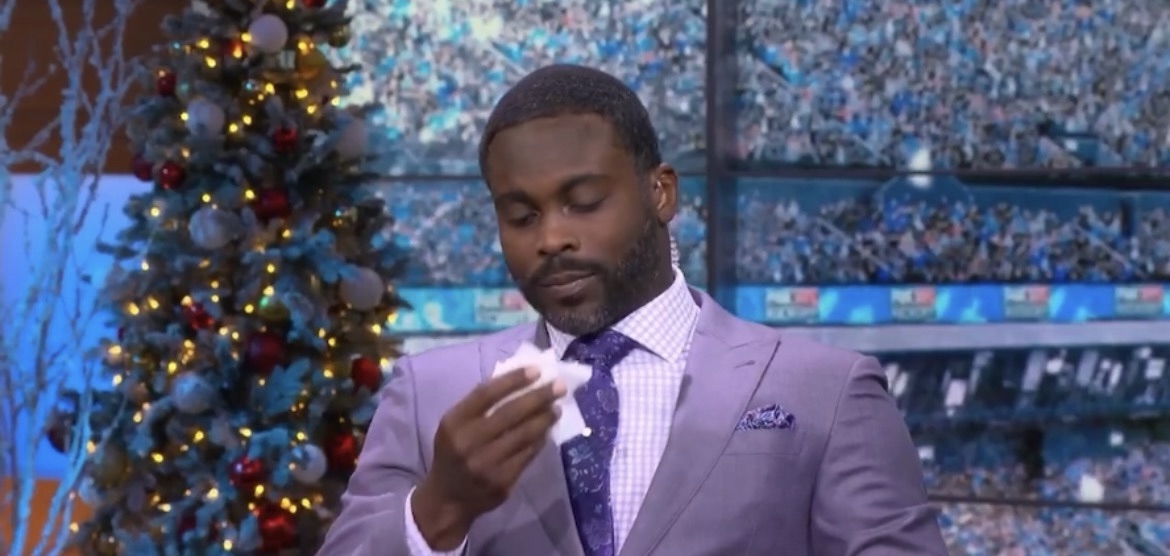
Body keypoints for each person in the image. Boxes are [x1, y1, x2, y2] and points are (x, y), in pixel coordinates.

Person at [318, 64, 946, 556]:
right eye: (522, 215)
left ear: (660, 192)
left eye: (584, 201)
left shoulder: (825, 391)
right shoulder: (430, 394)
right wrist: (437, 511)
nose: (551, 238)